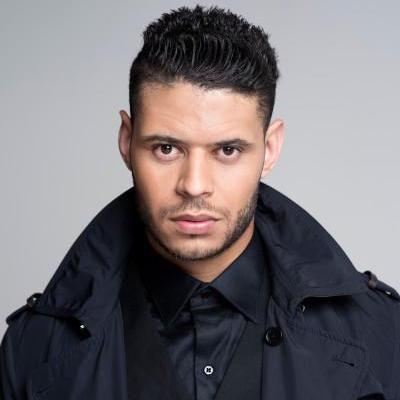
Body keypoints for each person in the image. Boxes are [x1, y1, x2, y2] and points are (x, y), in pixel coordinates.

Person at [1, 4, 399, 400]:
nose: (194, 186)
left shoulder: (382, 334)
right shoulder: (33, 348)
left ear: (270, 149)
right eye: (166, 148)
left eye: (227, 150)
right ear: (126, 142)